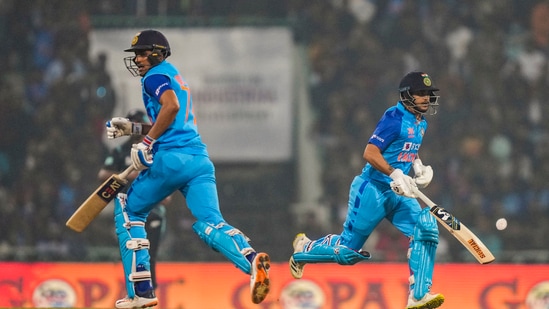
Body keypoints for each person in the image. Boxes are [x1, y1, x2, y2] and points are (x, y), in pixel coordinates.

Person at [105, 30, 271, 308]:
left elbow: (171, 107)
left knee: (128, 208)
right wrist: (133, 129)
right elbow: (171, 118)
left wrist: (146, 142)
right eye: (136, 54)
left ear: (158, 53)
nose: (138, 59)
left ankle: (141, 291)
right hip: (198, 160)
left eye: (143, 53)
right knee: (211, 221)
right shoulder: (172, 74)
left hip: (170, 160)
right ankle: (252, 260)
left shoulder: (153, 77)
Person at [289, 71, 445, 309]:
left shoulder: (420, 122)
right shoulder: (394, 117)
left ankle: (418, 294)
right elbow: (370, 152)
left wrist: (418, 165)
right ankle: (304, 249)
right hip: (373, 188)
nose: (426, 98)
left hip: (399, 192)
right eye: (420, 93)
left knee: (426, 229)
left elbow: (407, 147)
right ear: (406, 95)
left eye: (428, 94)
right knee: (348, 252)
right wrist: (394, 173)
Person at [98, 109, 169, 292]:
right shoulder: (121, 151)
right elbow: (103, 174)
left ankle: (147, 293)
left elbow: (167, 194)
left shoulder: (156, 151)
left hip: (152, 211)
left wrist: (153, 188)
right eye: (133, 124)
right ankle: (135, 292)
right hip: (127, 210)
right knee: (131, 254)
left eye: (139, 124)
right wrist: (130, 175)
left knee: (149, 255)